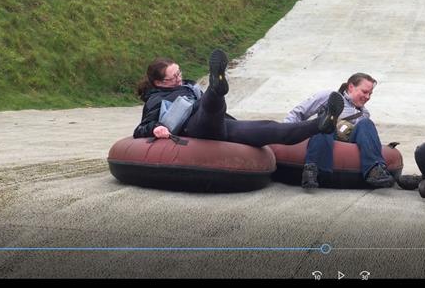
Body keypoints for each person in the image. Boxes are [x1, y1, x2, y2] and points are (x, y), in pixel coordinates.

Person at [133, 49, 344, 147]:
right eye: (174, 77)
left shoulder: (189, 87)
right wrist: (154, 128)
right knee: (207, 106)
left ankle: (322, 124)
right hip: (194, 128)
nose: (180, 78)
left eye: (179, 72)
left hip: (221, 126)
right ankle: (217, 87)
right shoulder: (156, 99)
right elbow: (141, 128)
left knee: (271, 128)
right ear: (160, 83)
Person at [284, 73, 395, 189]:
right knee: (326, 123)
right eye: (364, 92)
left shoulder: (364, 114)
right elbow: (298, 112)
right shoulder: (329, 97)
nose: (368, 97)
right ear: (351, 87)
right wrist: (284, 133)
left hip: (349, 140)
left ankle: (375, 170)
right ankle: (312, 170)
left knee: (366, 123)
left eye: (370, 94)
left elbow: (367, 138)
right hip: (326, 137)